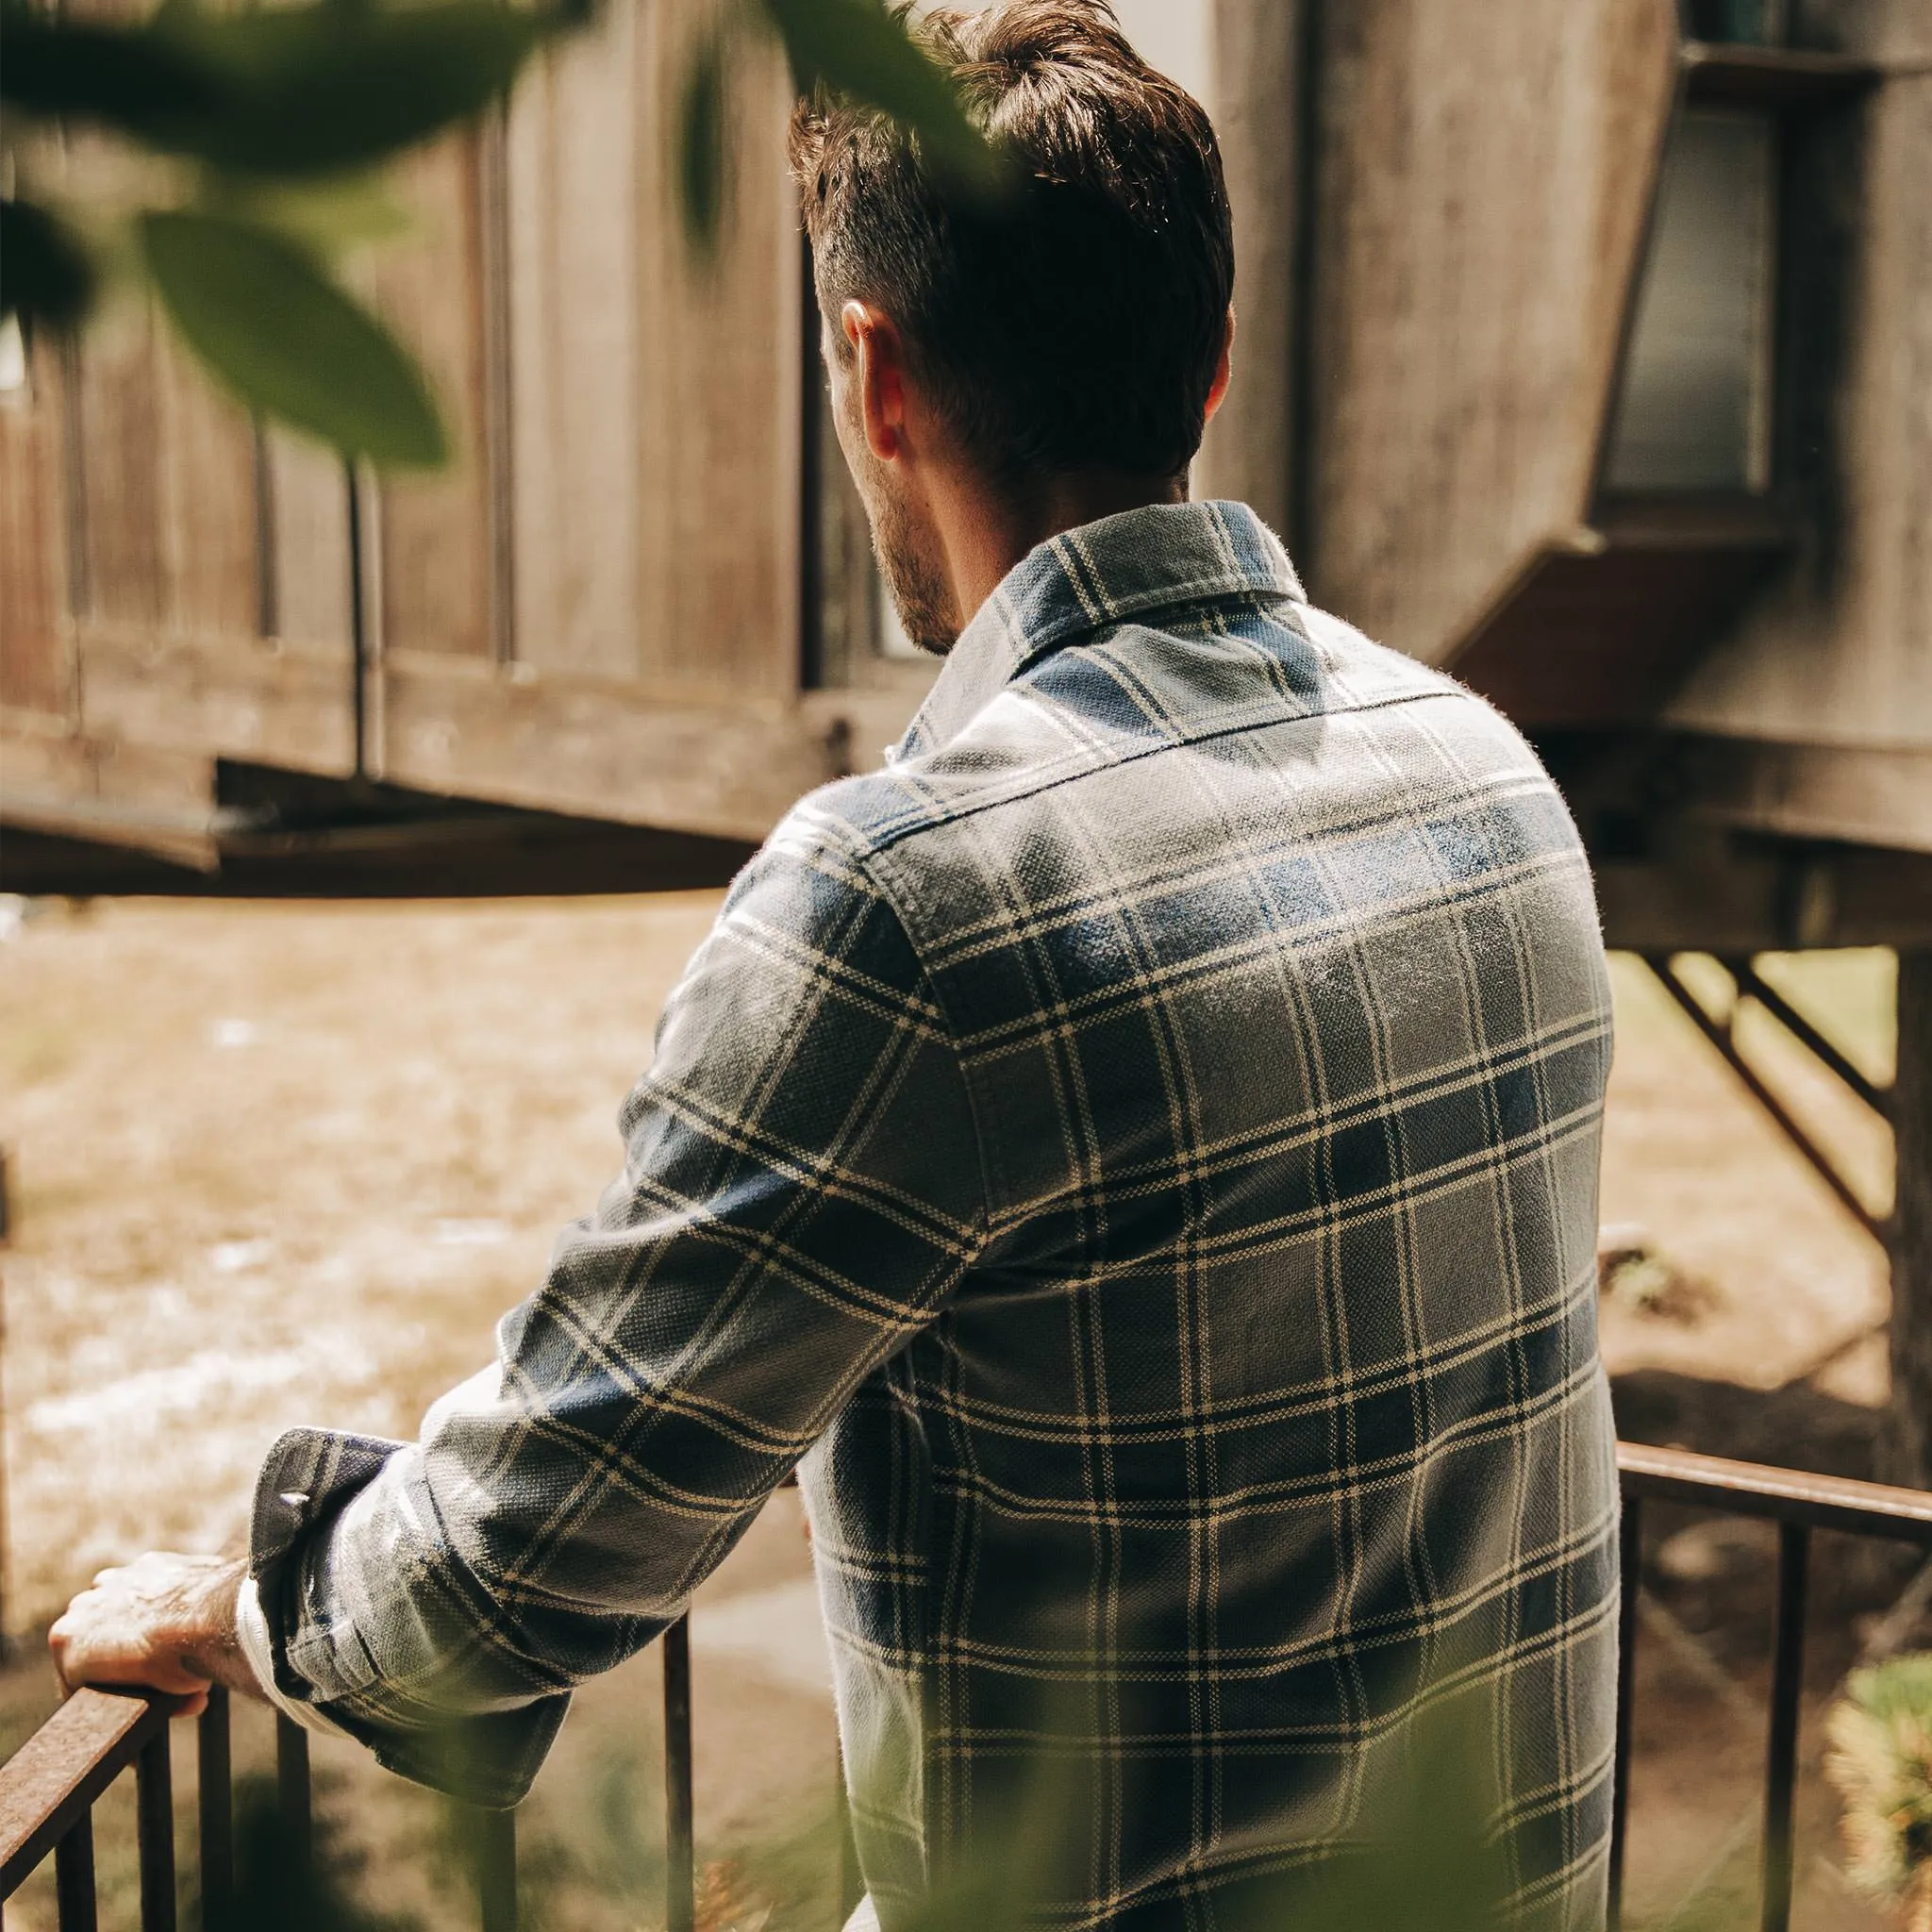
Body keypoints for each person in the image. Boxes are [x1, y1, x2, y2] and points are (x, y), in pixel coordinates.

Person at [51, 4, 1620, 1924]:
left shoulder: (914, 898)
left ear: (874, 380)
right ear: (1207, 362)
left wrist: (234, 1606)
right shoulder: (1481, 773)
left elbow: (512, 1572)